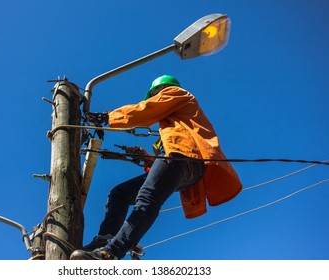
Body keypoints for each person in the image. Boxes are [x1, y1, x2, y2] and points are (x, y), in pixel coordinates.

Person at [70, 75, 242, 260]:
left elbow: (147, 110)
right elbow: (165, 169)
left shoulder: (176, 93)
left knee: (147, 197)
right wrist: (147, 158)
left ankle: (110, 253)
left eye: (154, 95)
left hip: (184, 159)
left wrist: (108, 117)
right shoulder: (174, 123)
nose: (153, 98)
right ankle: (106, 239)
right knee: (119, 193)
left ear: (158, 91)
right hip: (181, 163)